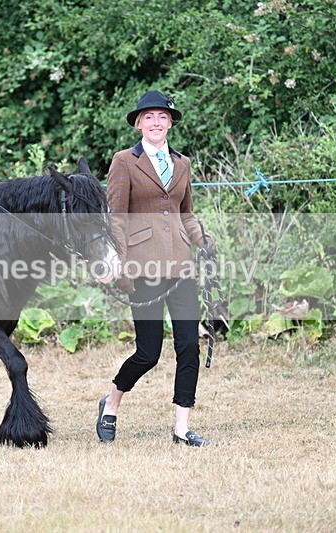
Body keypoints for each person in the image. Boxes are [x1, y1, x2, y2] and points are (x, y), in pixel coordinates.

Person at [97, 90, 215, 446]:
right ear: (138, 123)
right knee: (148, 353)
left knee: (189, 345)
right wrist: (118, 260)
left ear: (171, 123)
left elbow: (186, 212)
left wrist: (202, 240)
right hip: (141, 266)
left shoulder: (183, 164)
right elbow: (116, 216)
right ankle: (111, 403)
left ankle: (181, 429)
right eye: (149, 117)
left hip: (181, 265)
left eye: (162, 117)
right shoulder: (123, 161)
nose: (156, 122)